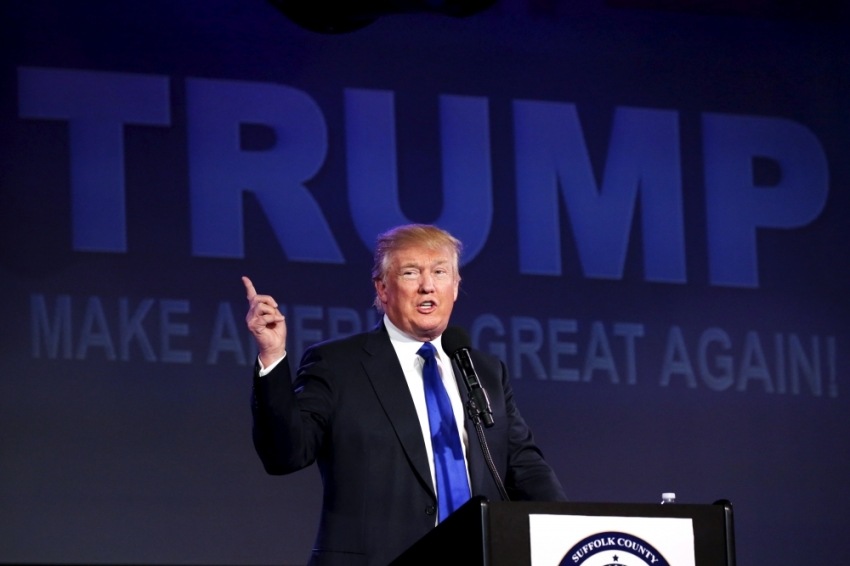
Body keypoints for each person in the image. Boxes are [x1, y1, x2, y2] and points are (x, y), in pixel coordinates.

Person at [245, 224, 565, 566]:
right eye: (411, 273)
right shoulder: (338, 364)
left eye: (440, 272)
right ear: (382, 288)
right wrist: (272, 356)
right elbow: (285, 454)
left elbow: (526, 470)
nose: (428, 285)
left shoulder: (483, 370)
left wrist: (570, 533)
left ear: (455, 287)